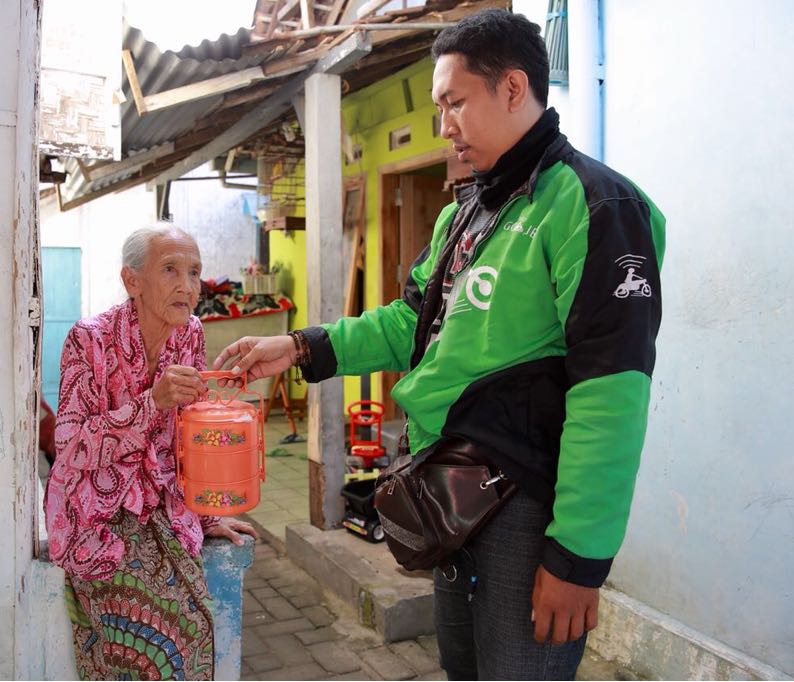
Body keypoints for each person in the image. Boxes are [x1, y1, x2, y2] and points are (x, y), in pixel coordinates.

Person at [214, 9, 664, 680]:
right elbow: (411, 324)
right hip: (455, 496)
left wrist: (576, 559)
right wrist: (304, 347)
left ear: (512, 89)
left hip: (528, 513)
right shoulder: (468, 210)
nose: (444, 124)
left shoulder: (593, 205)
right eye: (439, 106)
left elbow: (612, 393)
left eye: (455, 102)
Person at [44, 223, 257, 681]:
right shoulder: (89, 340)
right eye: (171, 270)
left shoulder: (190, 334)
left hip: (164, 505)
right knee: (154, 631)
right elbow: (71, 447)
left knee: (196, 619)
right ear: (132, 281)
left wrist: (206, 512)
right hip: (98, 515)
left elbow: (188, 435)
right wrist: (150, 403)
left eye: (195, 272)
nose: (188, 286)